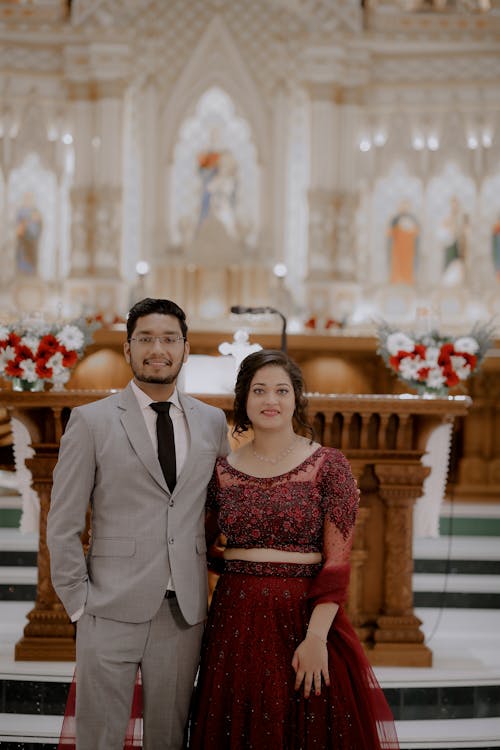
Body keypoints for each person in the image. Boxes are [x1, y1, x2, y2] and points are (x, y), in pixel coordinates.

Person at [188, 349, 399, 749]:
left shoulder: (328, 465)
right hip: (234, 618)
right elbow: (197, 542)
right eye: (260, 390)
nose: (271, 401)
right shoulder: (221, 472)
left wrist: (317, 638)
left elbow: (337, 564)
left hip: (302, 617)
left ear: (297, 398)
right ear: (243, 400)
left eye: (282, 391)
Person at [47, 297, 229, 750]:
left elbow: (221, 505)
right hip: (107, 607)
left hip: (182, 612)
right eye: (145, 339)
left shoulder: (211, 422)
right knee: (100, 737)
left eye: (169, 339)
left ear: (186, 349)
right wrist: (79, 605)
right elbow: (63, 521)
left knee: (168, 738)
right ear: (128, 349)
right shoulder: (91, 422)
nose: (157, 349)